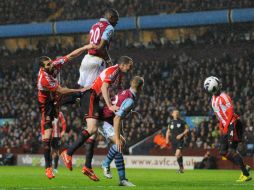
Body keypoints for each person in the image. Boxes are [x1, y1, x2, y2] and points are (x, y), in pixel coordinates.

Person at [61, 56, 133, 178]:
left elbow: (118, 89)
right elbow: (104, 87)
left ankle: (87, 166)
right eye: (129, 66)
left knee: (94, 134)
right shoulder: (114, 70)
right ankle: (68, 152)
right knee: (92, 129)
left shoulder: (118, 74)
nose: (130, 69)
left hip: (94, 99)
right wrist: (110, 105)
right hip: (91, 96)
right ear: (122, 64)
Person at [37, 44, 94, 179]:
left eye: (51, 62)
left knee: (79, 95)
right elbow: (62, 90)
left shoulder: (55, 65)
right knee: (48, 136)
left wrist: (86, 47)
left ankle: (85, 107)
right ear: (42, 68)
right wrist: (79, 90)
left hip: (57, 98)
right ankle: (48, 168)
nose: (51, 65)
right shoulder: (43, 78)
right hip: (46, 104)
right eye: (47, 65)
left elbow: (71, 55)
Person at [77, 8, 119, 181]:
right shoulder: (109, 27)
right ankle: (71, 152)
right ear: (111, 17)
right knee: (95, 94)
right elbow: (100, 47)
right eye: (116, 19)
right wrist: (109, 61)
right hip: (96, 62)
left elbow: (92, 45)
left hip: (86, 60)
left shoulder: (95, 25)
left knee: (85, 94)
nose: (117, 22)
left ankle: (87, 165)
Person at [204, 76, 252, 182]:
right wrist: (221, 124)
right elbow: (220, 113)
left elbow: (230, 111)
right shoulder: (213, 99)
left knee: (232, 150)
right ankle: (244, 167)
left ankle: (246, 174)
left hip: (233, 124)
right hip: (226, 125)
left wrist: (226, 126)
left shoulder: (224, 96)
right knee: (222, 152)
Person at [100, 76, 144, 186]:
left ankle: (122, 179)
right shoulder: (130, 99)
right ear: (141, 87)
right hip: (107, 121)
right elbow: (117, 118)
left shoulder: (126, 92)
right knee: (121, 142)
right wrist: (117, 136)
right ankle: (105, 163)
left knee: (119, 148)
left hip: (110, 120)